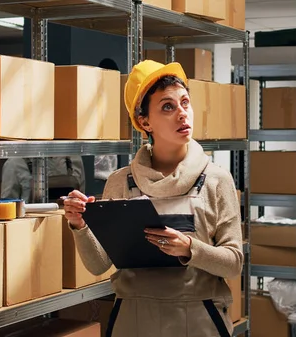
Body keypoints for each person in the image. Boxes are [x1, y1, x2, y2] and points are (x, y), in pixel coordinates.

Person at [63, 60, 243, 337]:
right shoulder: (120, 182)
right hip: (133, 320)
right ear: (144, 121)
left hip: (198, 318)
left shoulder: (217, 180)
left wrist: (189, 248)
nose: (182, 114)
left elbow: (233, 264)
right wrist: (80, 225)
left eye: (185, 102)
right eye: (168, 107)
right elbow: (98, 264)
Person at [1, 156, 85, 202]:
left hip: (69, 225)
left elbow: (82, 198)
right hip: (32, 227)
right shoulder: (15, 163)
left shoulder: (75, 158)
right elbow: (7, 205)